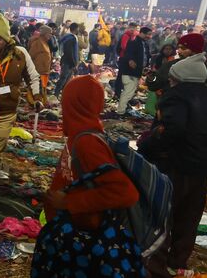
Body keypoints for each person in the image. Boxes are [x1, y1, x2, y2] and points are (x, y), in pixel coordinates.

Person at [37, 75, 140, 276]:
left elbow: (125, 193)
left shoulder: (87, 143)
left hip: (84, 239)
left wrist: (69, 202)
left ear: (74, 104)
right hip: (72, 232)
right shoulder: (77, 135)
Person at [141, 53, 207, 277]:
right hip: (201, 168)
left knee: (164, 215)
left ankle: (156, 265)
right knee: (189, 217)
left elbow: (172, 130)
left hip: (175, 165)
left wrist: (147, 145)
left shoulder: (176, 96)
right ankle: (177, 261)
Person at [0, 13, 41, 181]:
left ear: (6, 38)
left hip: (5, 114)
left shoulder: (21, 54)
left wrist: (37, 97)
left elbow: (33, 77)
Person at [116, 27, 151, 115]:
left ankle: (123, 109)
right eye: (148, 34)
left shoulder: (144, 44)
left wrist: (145, 67)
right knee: (128, 92)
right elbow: (128, 54)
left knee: (130, 92)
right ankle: (121, 112)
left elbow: (146, 57)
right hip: (129, 72)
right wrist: (130, 60)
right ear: (142, 33)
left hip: (137, 72)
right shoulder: (134, 42)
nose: (150, 36)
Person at [28, 25, 53, 104]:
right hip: (38, 71)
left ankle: (42, 102)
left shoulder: (45, 42)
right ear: (45, 34)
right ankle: (34, 103)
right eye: (50, 33)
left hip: (45, 71)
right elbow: (30, 56)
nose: (51, 35)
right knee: (35, 89)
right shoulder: (37, 43)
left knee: (43, 87)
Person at [54, 22, 79, 98]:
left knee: (66, 79)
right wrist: (74, 63)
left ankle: (62, 95)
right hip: (68, 62)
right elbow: (69, 52)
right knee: (63, 78)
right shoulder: (71, 38)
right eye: (78, 29)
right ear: (76, 29)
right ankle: (56, 95)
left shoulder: (68, 37)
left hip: (67, 61)